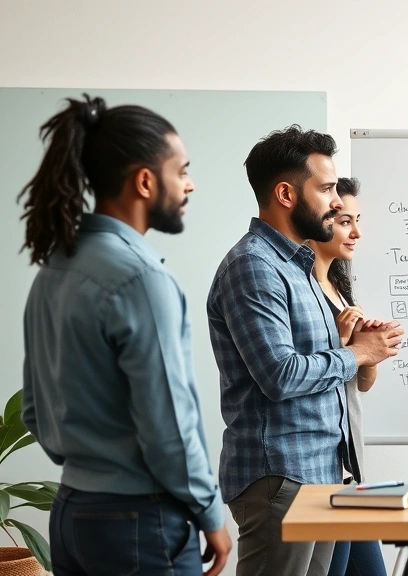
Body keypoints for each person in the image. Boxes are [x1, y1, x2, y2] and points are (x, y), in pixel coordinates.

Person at [19, 94, 231, 576]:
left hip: (72, 514)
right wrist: (210, 513)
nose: (190, 184)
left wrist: (89, 462)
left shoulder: (53, 268)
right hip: (141, 519)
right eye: (182, 171)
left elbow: (34, 406)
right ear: (144, 180)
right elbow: (169, 423)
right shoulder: (141, 279)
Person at [207, 126, 404, 576]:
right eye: (327, 188)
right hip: (282, 478)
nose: (337, 202)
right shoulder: (254, 266)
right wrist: (359, 353)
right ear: (285, 193)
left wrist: (356, 347)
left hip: (319, 475)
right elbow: (280, 375)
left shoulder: (299, 269)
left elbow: (319, 367)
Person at [309, 177, 389, 576]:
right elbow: (297, 375)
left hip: (349, 470)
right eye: (344, 221)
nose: (356, 232)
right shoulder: (303, 288)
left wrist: (368, 352)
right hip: (323, 471)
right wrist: (346, 344)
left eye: (356, 220)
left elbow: (358, 384)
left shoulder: (339, 289)